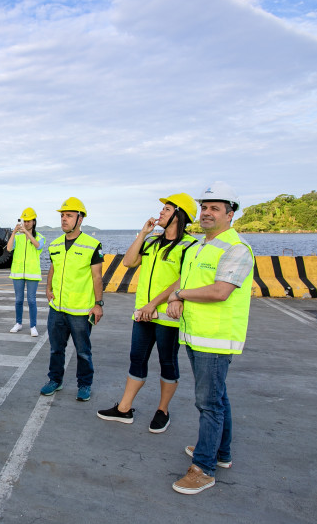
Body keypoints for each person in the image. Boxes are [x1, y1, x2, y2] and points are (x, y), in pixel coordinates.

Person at [165, 181, 254, 495]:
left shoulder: (236, 248)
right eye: (204, 207)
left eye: (215, 208)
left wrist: (178, 294)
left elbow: (220, 291)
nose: (206, 213)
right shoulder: (201, 246)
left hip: (215, 338)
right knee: (218, 397)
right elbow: (186, 284)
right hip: (196, 335)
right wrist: (177, 297)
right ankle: (222, 452)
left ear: (231, 214)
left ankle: (203, 468)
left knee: (208, 403)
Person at [97, 193, 199, 433]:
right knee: (137, 359)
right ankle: (124, 408)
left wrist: (153, 304)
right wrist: (143, 233)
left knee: (168, 362)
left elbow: (182, 280)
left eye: (166, 209)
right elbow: (128, 262)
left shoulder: (190, 246)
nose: (161, 212)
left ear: (179, 214)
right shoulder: (152, 242)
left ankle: (162, 411)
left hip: (167, 316)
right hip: (142, 314)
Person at [40, 197, 105, 402]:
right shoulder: (55, 244)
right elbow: (53, 267)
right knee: (56, 349)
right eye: (62, 215)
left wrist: (98, 304)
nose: (64, 219)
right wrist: (48, 287)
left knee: (83, 351)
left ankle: (84, 384)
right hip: (57, 308)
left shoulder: (92, 245)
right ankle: (55, 380)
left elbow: (97, 277)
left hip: (80, 310)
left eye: (68, 215)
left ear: (80, 218)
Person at [7, 207, 46, 337]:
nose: (26, 223)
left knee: (31, 300)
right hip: (17, 273)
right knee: (18, 300)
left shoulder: (40, 237)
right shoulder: (18, 237)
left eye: (29, 221)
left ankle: (33, 326)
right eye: (25, 221)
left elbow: (38, 245)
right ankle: (18, 323)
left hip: (32, 273)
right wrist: (14, 233)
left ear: (34, 222)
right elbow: (8, 248)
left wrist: (27, 233)